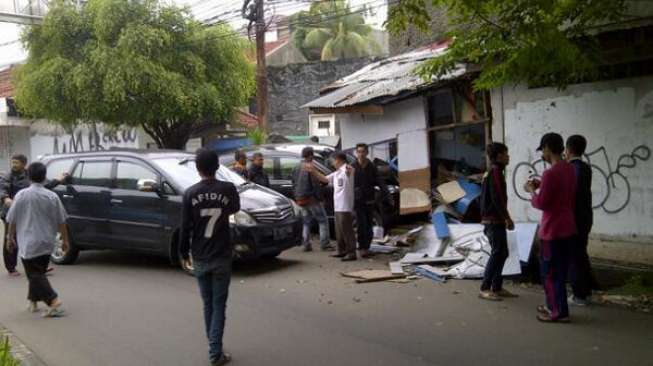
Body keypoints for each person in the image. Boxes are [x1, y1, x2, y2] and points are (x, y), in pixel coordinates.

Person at [179, 149, 240, 366]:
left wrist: (183, 252)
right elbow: (235, 207)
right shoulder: (228, 188)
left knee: (208, 304)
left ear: (197, 168)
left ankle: (213, 344)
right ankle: (215, 351)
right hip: (222, 253)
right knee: (219, 304)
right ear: (217, 167)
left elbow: (185, 227)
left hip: (200, 255)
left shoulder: (189, 194)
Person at [525, 133, 577, 323]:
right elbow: (560, 192)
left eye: (543, 150)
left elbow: (542, 203)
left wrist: (532, 190)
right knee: (560, 273)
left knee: (550, 274)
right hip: (568, 227)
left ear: (547, 147)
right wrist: (542, 184)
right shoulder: (569, 169)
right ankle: (553, 306)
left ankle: (558, 312)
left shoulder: (550, 173)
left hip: (552, 230)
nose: (543, 154)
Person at [6, 162, 69, 317]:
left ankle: (53, 301)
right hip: (47, 241)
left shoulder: (21, 195)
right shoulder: (52, 196)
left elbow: (12, 219)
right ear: (44, 177)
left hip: (29, 242)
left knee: (34, 274)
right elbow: (62, 221)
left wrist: (9, 237)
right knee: (37, 272)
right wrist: (65, 240)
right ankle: (33, 301)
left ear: (28, 176)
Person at [1, 154, 64, 276]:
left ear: (24, 164)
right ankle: (11, 268)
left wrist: (59, 180)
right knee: (11, 238)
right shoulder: (8, 176)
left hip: (27, 212)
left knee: (32, 237)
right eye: (13, 162)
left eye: (16, 163)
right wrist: (5, 198)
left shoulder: (30, 174)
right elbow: (2, 188)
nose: (14, 165)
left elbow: (45, 184)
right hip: (10, 212)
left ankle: (38, 266)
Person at [478, 142, 517, 301]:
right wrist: (507, 218)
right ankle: (485, 288)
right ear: (499, 156)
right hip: (494, 221)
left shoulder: (493, 172)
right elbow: (498, 198)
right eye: (506, 154)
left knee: (502, 252)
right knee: (497, 253)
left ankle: (497, 287)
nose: (508, 157)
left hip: (493, 219)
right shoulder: (495, 173)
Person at [307, 152, 357, 261]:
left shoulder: (347, 170)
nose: (332, 163)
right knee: (339, 230)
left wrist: (349, 170)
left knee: (347, 230)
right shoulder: (337, 173)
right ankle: (341, 250)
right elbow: (325, 179)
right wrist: (313, 171)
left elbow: (350, 172)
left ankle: (351, 252)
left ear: (338, 160)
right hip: (338, 205)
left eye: (333, 160)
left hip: (345, 206)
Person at [566, 135, 594, 306]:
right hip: (585, 217)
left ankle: (579, 295)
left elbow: (571, 196)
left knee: (574, 258)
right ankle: (586, 291)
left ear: (568, 149)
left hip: (574, 219)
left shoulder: (571, 169)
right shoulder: (585, 167)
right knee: (581, 255)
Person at [351, 143, 388, 258]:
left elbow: (380, 181)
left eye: (363, 152)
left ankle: (366, 247)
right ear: (356, 153)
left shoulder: (372, 167)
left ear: (367, 153)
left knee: (368, 224)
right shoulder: (352, 166)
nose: (361, 154)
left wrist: (385, 193)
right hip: (357, 200)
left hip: (370, 200)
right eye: (359, 152)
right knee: (361, 224)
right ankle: (362, 248)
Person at [292, 147, 332, 252]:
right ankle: (325, 244)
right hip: (311, 199)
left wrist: (296, 196)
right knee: (323, 220)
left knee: (306, 222)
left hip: (300, 199)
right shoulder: (310, 167)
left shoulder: (296, 167)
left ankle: (306, 244)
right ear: (310, 155)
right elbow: (315, 185)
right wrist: (320, 198)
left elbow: (293, 183)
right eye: (312, 155)